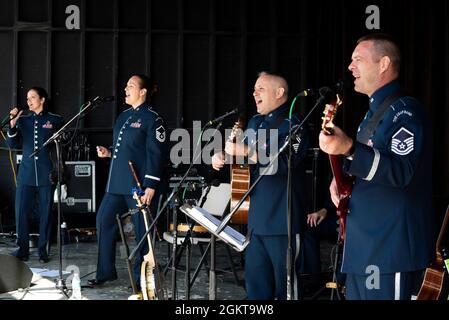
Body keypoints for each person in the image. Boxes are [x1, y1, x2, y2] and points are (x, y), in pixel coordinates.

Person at [319, 33, 433, 300]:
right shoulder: (374, 113)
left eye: (358, 59)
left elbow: (402, 170)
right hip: (366, 245)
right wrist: (343, 179)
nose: (350, 67)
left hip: (388, 248)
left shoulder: (404, 112)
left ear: (383, 64)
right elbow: (370, 167)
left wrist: (349, 149)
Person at [212, 71, 309, 299]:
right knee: (256, 290)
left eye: (261, 89)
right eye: (254, 89)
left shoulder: (295, 123)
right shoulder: (255, 122)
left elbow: (285, 162)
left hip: (282, 223)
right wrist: (223, 156)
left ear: (279, 92)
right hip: (256, 222)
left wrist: (244, 151)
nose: (254, 93)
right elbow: (243, 161)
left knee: (286, 291)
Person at [88, 74, 168, 287]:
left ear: (143, 91)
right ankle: (105, 272)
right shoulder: (123, 116)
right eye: (126, 85)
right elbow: (126, 148)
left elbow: (156, 154)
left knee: (142, 233)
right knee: (103, 221)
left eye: (131, 85)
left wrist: (151, 185)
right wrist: (109, 152)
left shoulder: (153, 119)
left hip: (138, 186)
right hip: (116, 184)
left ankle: (141, 276)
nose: (125, 88)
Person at [7, 87, 64, 263]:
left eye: (32, 97)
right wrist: (12, 125)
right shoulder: (23, 119)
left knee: (46, 212)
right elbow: (12, 143)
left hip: (47, 172)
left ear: (42, 99)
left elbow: (63, 144)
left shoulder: (55, 119)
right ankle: (22, 249)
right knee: (21, 211)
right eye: (27, 98)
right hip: (26, 173)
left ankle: (43, 250)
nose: (29, 101)